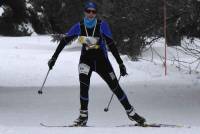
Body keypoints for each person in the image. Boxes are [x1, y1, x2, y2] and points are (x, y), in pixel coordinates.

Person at [48, 1, 146, 126]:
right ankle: (83, 116)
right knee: (84, 87)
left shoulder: (102, 25)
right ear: (85, 12)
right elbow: (64, 41)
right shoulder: (79, 26)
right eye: (88, 11)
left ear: (96, 13)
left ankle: (131, 113)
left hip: (102, 61)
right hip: (86, 61)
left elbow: (111, 44)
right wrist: (53, 58)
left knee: (115, 87)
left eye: (93, 12)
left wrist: (120, 63)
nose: (91, 14)